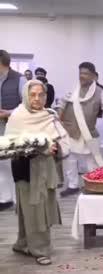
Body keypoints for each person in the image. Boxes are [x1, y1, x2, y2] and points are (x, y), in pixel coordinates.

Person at [6, 79, 70, 266]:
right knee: (34, 209)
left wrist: (55, 147)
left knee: (34, 209)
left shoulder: (49, 115)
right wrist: (39, 149)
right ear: (26, 95)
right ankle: (40, 249)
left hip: (46, 170)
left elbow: (63, 141)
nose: (37, 98)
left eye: (41, 94)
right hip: (25, 170)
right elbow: (11, 145)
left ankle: (23, 243)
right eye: (32, 94)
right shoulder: (17, 116)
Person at [58, 62, 103, 197]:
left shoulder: (100, 93)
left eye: (85, 73)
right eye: (80, 73)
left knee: (91, 162)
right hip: (70, 131)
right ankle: (73, 185)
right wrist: (57, 117)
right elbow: (61, 104)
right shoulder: (72, 89)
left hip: (88, 133)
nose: (82, 76)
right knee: (70, 160)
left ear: (93, 76)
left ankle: (92, 184)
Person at [0, 50, 26, 211]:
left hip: (14, 128)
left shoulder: (20, 79)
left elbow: (27, 105)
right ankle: (4, 198)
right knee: (1, 165)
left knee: (14, 164)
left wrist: (8, 112)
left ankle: (18, 200)